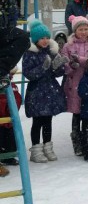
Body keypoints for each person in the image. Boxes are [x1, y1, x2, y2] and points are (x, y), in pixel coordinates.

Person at [22, 20, 68, 163]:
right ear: (35, 39)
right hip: (37, 93)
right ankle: (36, 149)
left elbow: (58, 73)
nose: (45, 40)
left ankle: (48, 147)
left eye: (47, 37)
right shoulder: (29, 53)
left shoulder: (51, 51)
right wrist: (43, 67)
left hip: (50, 91)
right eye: (42, 38)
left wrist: (57, 66)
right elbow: (29, 74)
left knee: (48, 121)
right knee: (37, 122)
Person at [62, 15, 88, 156]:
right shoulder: (69, 45)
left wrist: (80, 60)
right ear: (75, 30)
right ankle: (77, 141)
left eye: (86, 29)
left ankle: (87, 140)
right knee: (76, 114)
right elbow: (65, 65)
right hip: (75, 83)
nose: (84, 32)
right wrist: (72, 66)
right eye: (80, 29)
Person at [0, 0, 29, 84]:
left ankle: (1, 70)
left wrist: (10, 26)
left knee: (23, 37)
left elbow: (12, 10)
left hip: (2, 30)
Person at [0, 72, 22, 175]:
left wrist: (11, 111)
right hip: (3, 117)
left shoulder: (11, 87)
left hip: (8, 119)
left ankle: (8, 157)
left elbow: (17, 100)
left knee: (10, 139)